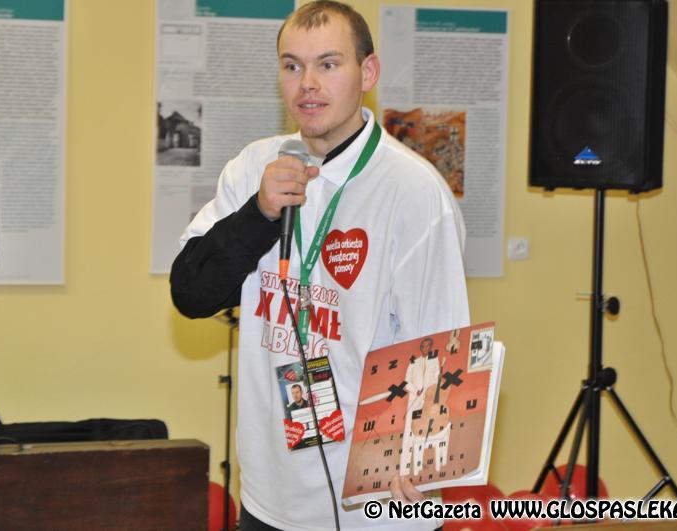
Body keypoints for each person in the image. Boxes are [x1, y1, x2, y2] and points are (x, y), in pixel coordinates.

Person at [170, 1, 469, 528]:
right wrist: (258, 213)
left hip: (376, 503)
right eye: (293, 66)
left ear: (367, 73)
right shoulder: (253, 168)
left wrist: (424, 455)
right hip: (269, 498)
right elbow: (191, 293)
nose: (307, 83)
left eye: (328, 64)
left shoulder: (413, 190)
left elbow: (441, 344)